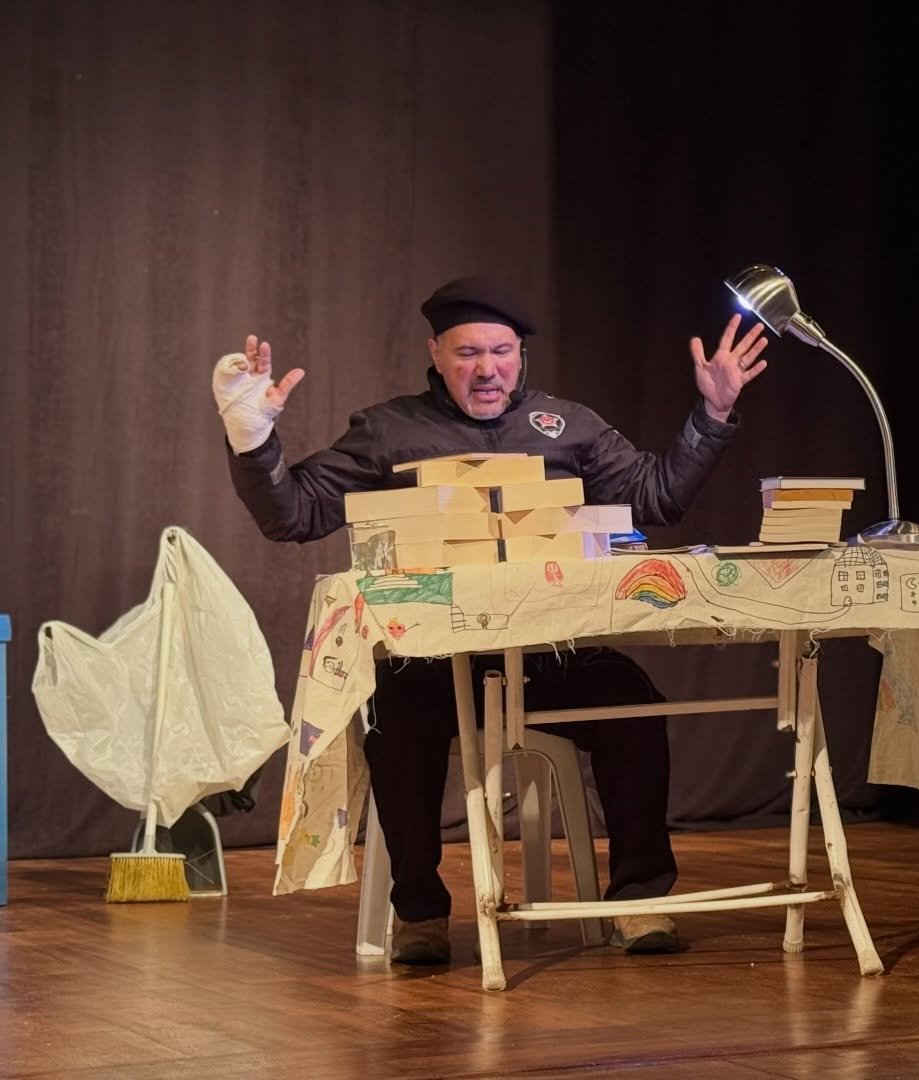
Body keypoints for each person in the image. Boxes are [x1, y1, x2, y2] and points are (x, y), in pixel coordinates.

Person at [214, 277, 769, 964]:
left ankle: (639, 899)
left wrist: (713, 413)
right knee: (392, 720)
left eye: (501, 352)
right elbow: (292, 516)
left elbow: (659, 497)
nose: (487, 369)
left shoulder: (568, 425)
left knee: (630, 702)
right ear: (436, 355)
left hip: (548, 658)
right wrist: (251, 437)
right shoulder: (389, 431)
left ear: (520, 355)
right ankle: (419, 911)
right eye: (468, 353)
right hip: (434, 664)